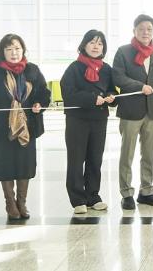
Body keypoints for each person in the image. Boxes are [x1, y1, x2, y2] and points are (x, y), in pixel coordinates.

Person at [0, 34, 51, 220]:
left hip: (27, 127)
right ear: (2, 52)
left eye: (17, 48)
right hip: (2, 128)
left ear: (23, 50)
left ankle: (22, 202)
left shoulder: (32, 70)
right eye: (9, 49)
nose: (14, 53)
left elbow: (44, 93)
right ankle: (10, 203)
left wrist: (39, 104)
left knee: (25, 165)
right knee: (6, 166)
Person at [112, 14, 153, 210]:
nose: (145, 32)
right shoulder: (124, 52)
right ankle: (126, 193)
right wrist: (139, 86)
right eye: (141, 29)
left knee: (148, 154)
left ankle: (147, 191)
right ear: (134, 31)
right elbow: (118, 78)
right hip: (130, 111)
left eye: (149, 29)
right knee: (127, 154)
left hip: (151, 111)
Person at [60, 30, 117, 214]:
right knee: (76, 160)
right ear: (84, 45)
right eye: (92, 42)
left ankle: (93, 196)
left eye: (100, 43)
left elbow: (112, 90)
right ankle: (78, 199)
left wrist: (111, 97)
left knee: (95, 159)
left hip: (99, 120)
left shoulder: (106, 69)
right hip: (77, 120)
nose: (96, 46)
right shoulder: (74, 68)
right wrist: (92, 98)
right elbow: (68, 94)